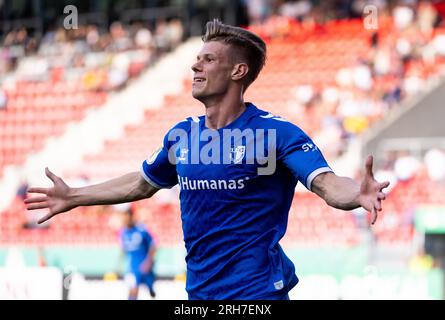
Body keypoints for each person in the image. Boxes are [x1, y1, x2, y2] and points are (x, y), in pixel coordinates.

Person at [25, 19, 390, 300]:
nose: (195, 68)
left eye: (208, 60)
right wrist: (74, 196)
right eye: (196, 60)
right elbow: (140, 182)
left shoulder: (277, 133)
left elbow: (326, 184)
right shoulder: (181, 134)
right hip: (199, 292)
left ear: (238, 71)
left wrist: (356, 193)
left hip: (257, 292)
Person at [119, 206, 157, 300]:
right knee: (133, 289)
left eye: (126, 216)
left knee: (151, 291)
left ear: (132, 216)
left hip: (145, 267)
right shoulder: (123, 232)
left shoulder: (141, 230)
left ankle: (150, 287)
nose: (125, 219)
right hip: (132, 268)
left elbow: (153, 245)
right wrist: (118, 264)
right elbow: (124, 249)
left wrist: (148, 262)